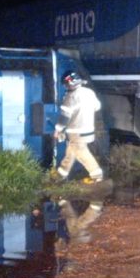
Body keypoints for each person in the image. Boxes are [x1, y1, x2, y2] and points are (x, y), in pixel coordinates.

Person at [53, 70, 104, 242]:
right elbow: (97, 107)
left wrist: (58, 130)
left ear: (68, 84)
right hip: (88, 130)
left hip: (76, 132)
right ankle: (61, 176)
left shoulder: (70, 97)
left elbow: (64, 116)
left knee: (80, 153)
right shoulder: (89, 92)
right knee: (71, 152)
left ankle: (97, 178)